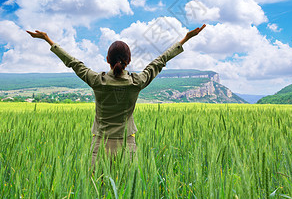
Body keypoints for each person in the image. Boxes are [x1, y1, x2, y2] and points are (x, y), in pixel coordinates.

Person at [26, 24, 206, 167]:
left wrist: (48, 39)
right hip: (127, 147)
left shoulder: (98, 81)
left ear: (107, 60)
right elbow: (160, 61)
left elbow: (73, 63)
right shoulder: (136, 82)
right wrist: (185, 39)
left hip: (99, 146)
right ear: (128, 61)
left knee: (98, 191)